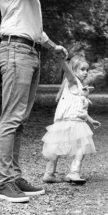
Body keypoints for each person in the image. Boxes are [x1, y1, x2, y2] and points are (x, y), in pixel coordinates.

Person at [0, 0, 96, 203]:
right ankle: (5, 183)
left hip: (28, 51)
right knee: (11, 119)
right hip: (15, 53)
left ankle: (14, 177)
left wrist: (52, 45)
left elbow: (28, 24)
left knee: (20, 120)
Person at [41, 55, 100, 185]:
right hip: (71, 122)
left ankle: (50, 173)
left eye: (87, 70)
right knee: (79, 147)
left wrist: (91, 120)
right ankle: (73, 172)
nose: (85, 73)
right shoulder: (73, 81)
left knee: (59, 147)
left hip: (71, 121)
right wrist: (60, 58)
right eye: (82, 69)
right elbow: (67, 70)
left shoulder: (81, 88)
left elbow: (81, 110)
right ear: (73, 70)